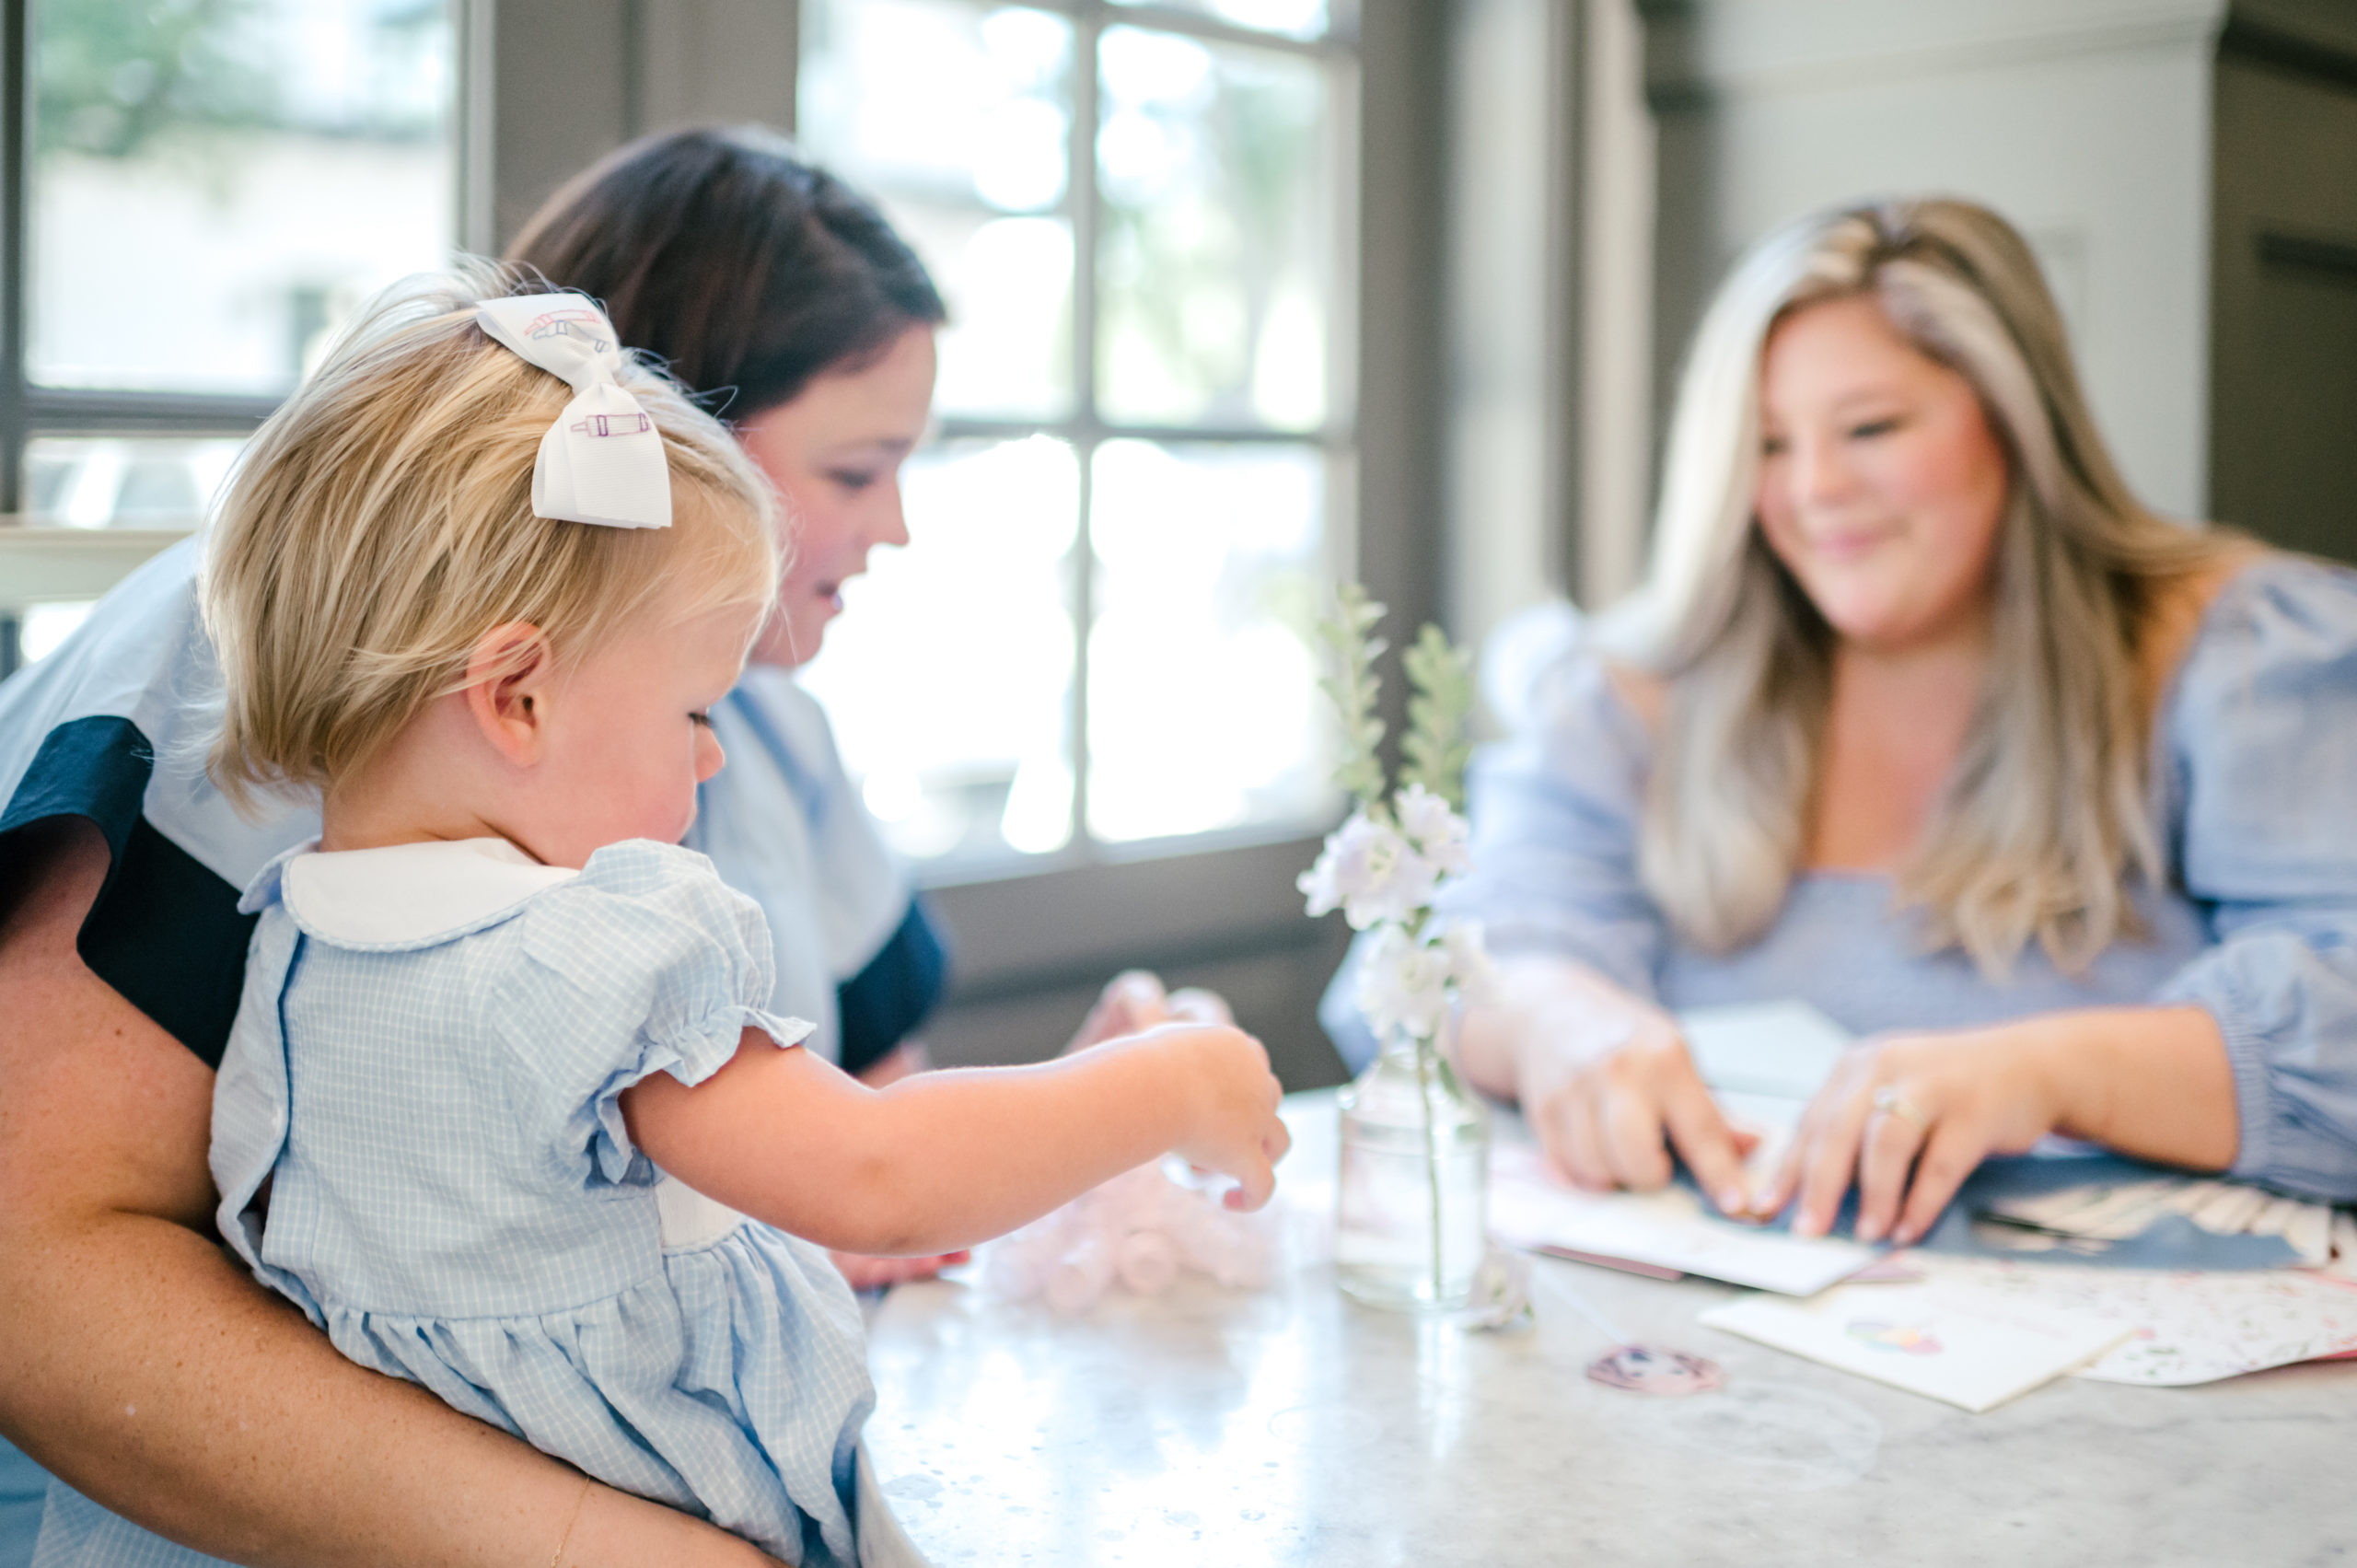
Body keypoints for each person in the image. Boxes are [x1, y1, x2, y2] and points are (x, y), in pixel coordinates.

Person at [0, 130, 1206, 1568]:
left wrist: (1081, 1110)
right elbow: (39, 1267)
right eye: (858, 465)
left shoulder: (753, 723)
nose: (896, 527)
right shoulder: (291, 677)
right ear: (655, 429)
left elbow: (853, 1116)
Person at [1334, 196, 2357, 1249]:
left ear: (2016, 421)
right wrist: (1561, 1019)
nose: (1813, 491)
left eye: (1871, 428)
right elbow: (1445, 960)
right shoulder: (1637, 688)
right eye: (1768, 445)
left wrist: (2040, 1071)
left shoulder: (2232, 652)